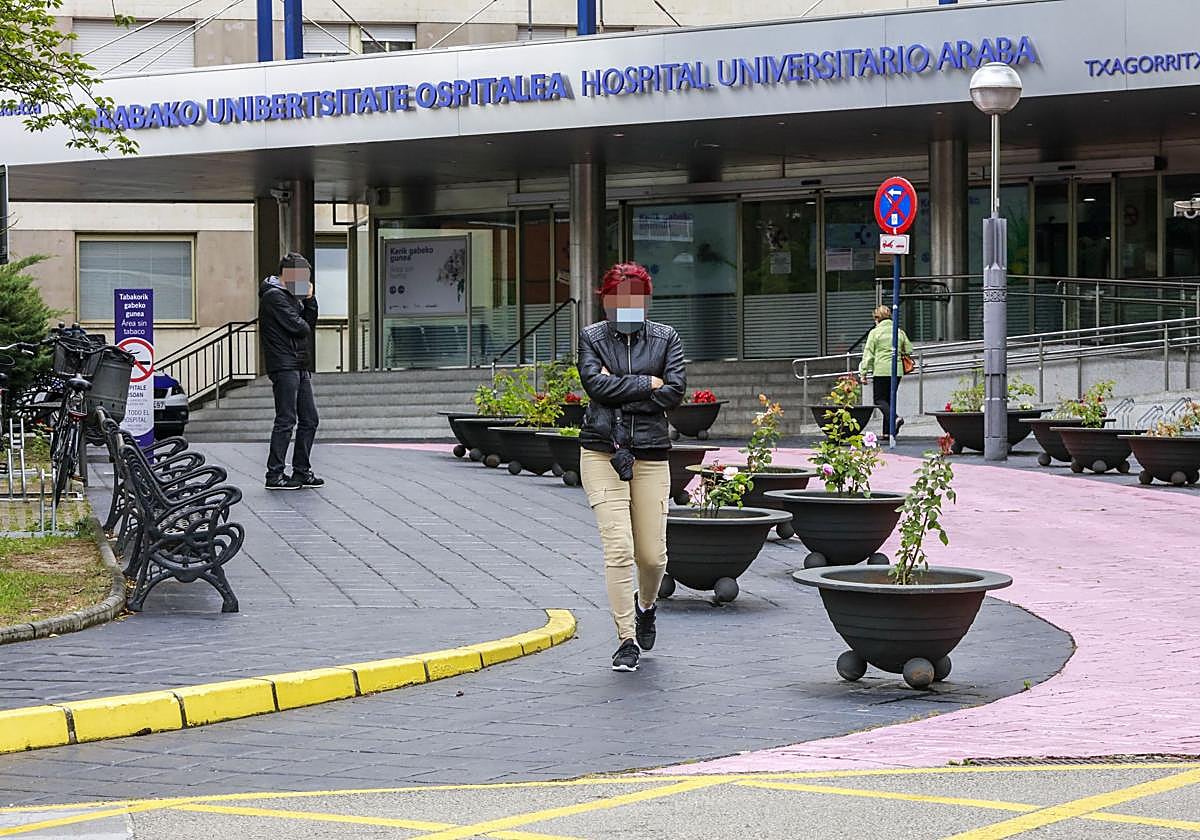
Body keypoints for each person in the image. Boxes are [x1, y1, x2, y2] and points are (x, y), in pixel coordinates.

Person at [578, 262, 686, 673]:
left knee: (653, 556)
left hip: (652, 454)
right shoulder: (591, 337)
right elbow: (595, 386)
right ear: (605, 300)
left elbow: (674, 392)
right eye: (618, 299)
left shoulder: (666, 338)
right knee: (619, 548)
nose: (626, 307)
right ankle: (626, 638)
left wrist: (621, 386)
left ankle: (647, 606)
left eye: (634, 300)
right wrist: (648, 383)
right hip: (602, 451)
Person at [259, 252, 323, 490]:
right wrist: (303, 306)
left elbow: (309, 324)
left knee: (310, 419)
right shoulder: (274, 297)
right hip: (284, 364)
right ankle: (274, 474)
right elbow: (301, 328)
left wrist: (310, 300)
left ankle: (301, 470)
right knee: (286, 419)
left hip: (298, 363)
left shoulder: (291, 297)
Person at [858, 304, 913, 438]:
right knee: (889, 399)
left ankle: (895, 418)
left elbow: (868, 354)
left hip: (881, 369)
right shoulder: (898, 331)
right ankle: (887, 432)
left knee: (879, 400)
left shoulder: (875, 333)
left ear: (877, 318)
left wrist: (863, 372)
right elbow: (909, 349)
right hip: (897, 370)